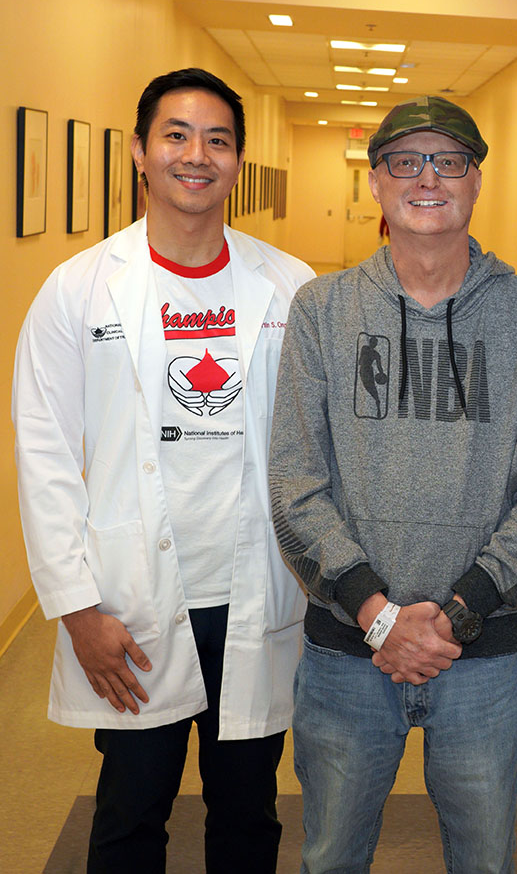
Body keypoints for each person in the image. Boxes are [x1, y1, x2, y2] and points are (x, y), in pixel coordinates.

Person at [12, 68, 314, 872]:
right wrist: (77, 609)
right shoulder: (78, 290)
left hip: (256, 595)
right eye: (176, 135)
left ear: (238, 163)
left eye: (218, 140)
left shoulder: (290, 286)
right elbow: (43, 455)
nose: (196, 155)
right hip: (134, 605)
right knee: (129, 814)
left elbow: (321, 449)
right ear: (140, 152)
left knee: (249, 812)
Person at [269, 95, 517, 873]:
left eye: (449, 160)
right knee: (331, 857)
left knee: (484, 859)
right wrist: (379, 617)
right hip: (346, 652)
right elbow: (296, 484)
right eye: (406, 161)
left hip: (483, 658)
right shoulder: (320, 311)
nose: (427, 177)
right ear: (374, 181)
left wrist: (458, 612)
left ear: (477, 181)